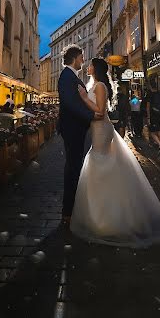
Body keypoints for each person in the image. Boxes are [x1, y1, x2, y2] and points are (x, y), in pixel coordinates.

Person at [71, 58, 160, 248]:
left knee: (99, 165)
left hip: (101, 128)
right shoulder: (97, 85)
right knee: (103, 166)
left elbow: (99, 112)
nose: (87, 67)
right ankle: (107, 213)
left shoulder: (99, 86)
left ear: (95, 69)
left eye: (90, 65)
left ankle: (106, 217)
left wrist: (82, 98)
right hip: (98, 129)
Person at [57, 45, 102, 226]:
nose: (83, 61)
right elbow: (70, 104)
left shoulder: (71, 76)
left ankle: (71, 208)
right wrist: (91, 115)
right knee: (73, 168)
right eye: (82, 58)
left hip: (75, 128)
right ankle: (68, 211)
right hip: (72, 128)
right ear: (75, 58)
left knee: (75, 166)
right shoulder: (67, 77)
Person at [146, 81, 160, 156]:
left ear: (150, 87)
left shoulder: (150, 95)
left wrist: (148, 117)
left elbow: (148, 107)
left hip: (154, 116)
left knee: (152, 132)